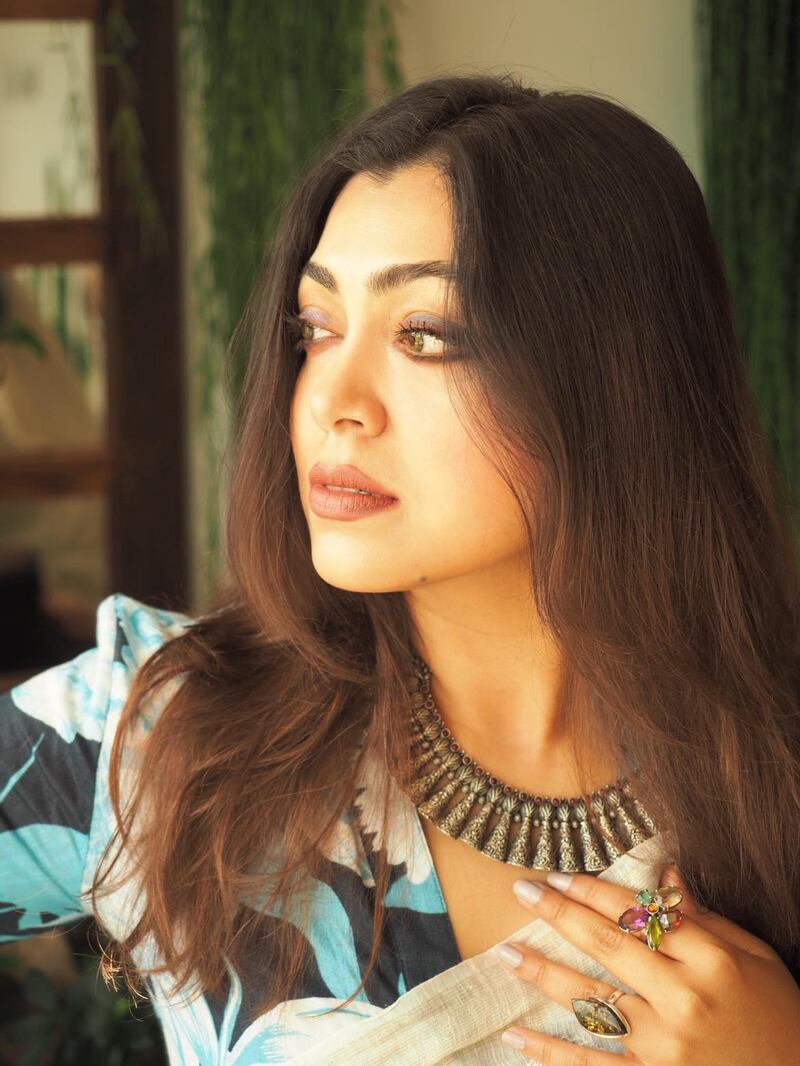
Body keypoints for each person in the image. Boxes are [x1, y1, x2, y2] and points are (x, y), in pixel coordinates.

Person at [2, 72, 799, 1065]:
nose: (333, 398)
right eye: (315, 328)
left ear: (610, 381)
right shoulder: (170, 726)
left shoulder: (768, 773)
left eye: (424, 334)